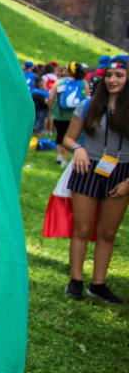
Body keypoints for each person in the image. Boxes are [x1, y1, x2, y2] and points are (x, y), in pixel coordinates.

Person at [62, 55, 129, 304]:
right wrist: (77, 149)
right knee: (81, 228)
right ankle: (76, 280)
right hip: (87, 168)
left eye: (119, 75)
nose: (113, 80)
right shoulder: (89, 105)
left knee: (108, 232)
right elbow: (68, 138)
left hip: (121, 173)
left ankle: (98, 284)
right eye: (109, 75)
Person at [47, 62, 87, 165]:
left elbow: (51, 98)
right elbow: (87, 100)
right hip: (76, 115)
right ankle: (65, 159)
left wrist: (50, 108)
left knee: (60, 134)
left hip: (59, 114)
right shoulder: (83, 83)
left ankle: (59, 155)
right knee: (70, 137)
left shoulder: (59, 82)